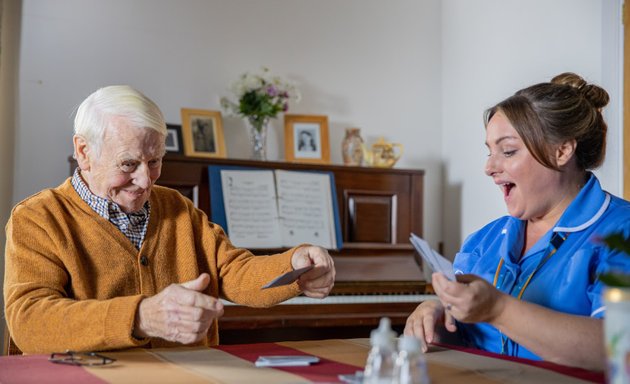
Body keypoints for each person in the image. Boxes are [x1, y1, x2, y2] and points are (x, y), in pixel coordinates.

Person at [4, 85, 335, 354]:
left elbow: (235, 272)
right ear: (83, 151)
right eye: (128, 164)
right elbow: (30, 322)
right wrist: (142, 317)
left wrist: (295, 265)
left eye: (155, 161)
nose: (147, 181)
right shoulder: (38, 218)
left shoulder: (176, 206)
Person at [404, 73, 630, 370]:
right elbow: (464, 331)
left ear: (561, 151)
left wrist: (498, 309)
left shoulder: (620, 232)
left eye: (508, 151)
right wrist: (435, 313)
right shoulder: (485, 239)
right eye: (489, 151)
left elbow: (619, 348)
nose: (489, 167)